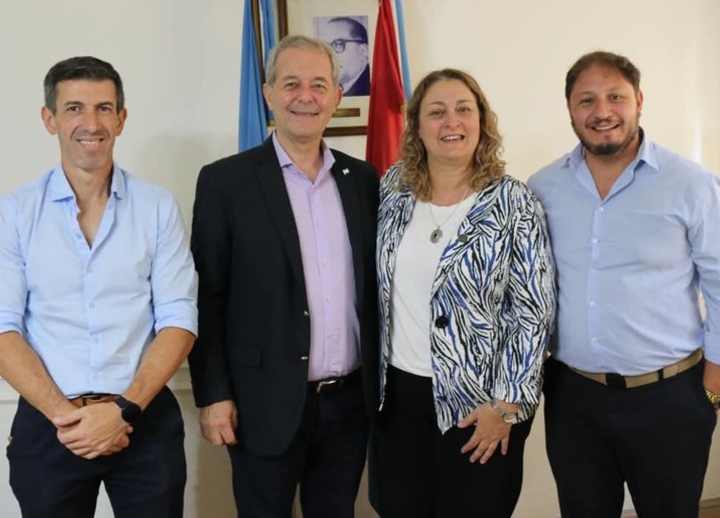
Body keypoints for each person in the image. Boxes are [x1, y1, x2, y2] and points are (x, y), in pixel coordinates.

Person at [189, 34, 379, 518]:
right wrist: (214, 395)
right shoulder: (225, 182)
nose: (306, 96)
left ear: (337, 96)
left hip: (348, 405)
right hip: (260, 404)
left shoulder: (364, 181)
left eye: (319, 84)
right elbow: (207, 297)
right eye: (291, 83)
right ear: (270, 93)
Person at [0, 56, 198, 517]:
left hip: (143, 421)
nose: (91, 123)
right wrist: (67, 417)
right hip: (50, 424)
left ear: (122, 119)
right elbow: (3, 328)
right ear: (49, 119)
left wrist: (123, 410)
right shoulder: (14, 213)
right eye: (74, 109)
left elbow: (179, 319)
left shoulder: (157, 208)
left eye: (104, 108)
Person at [528, 50, 720, 517]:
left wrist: (714, 380)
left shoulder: (692, 184)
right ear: (570, 109)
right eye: (586, 100)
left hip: (670, 396)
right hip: (575, 398)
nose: (602, 112)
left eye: (615, 96)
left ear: (638, 100)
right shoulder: (541, 187)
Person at [373, 68, 556, 517]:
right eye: (436, 112)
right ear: (417, 126)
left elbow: (534, 310)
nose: (451, 122)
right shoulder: (393, 190)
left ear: (481, 121)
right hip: (397, 401)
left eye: (463, 110)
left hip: (480, 403)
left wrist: (507, 405)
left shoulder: (513, 201)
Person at [319, 16, 370, 96]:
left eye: (338, 44)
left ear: (363, 51)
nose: (329, 55)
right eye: (325, 47)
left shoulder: (375, 89)